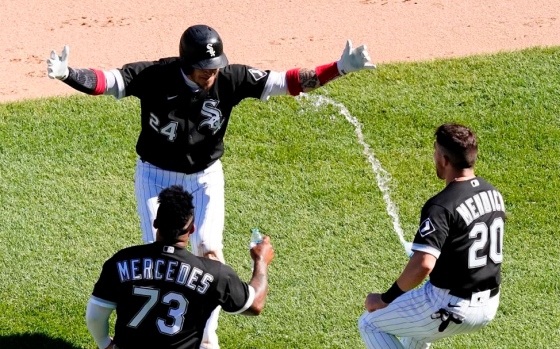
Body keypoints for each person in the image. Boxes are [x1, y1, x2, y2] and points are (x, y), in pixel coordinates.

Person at [46, 24, 375, 348]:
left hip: (205, 176)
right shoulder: (155, 76)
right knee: (162, 255)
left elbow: (287, 82)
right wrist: (67, 74)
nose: (212, 74)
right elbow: (106, 81)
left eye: (215, 66)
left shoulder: (231, 78)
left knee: (210, 251)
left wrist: (341, 67)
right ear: (186, 64)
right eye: (205, 69)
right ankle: (160, 336)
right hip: (155, 175)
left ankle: (205, 338)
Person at [358, 123, 506, 349]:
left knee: (370, 323)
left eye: (436, 151)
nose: (434, 156)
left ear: (445, 160)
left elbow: (424, 264)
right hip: (488, 305)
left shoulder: (441, 205)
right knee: (416, 335)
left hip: (450, 305)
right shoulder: (492, 193)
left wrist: (385, 299)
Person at [85, 185, 275, 349]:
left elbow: (95, 316)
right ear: (191, 229)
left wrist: (105, 344)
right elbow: (255, 305)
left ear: (156, 223)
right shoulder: (215, 274)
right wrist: (261, 262)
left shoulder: (121, 261)